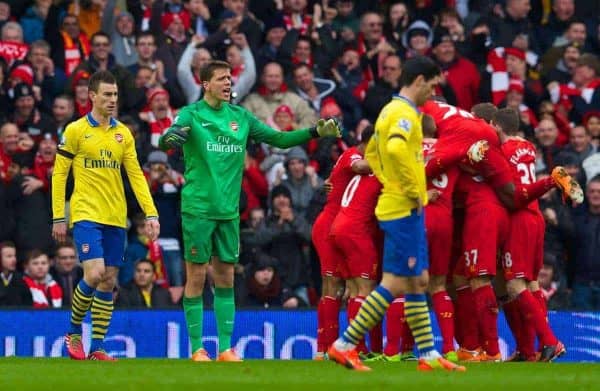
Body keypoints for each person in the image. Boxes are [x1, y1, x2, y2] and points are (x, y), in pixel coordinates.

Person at [158, 60, 341, 362]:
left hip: (229, 212)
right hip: (198, 209)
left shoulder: (240, 116)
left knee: (226, 278)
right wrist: (170, 139)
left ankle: (225, 348)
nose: (228, 84)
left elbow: (279, 139)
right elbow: (168, 139)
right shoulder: (191, 114)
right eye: (221, 79)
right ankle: (196, 348)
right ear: (205, 84)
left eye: (230, 79)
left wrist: (314, 130)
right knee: (196, 277)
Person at [327, 56, 465, 372]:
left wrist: (391, 180)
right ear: (419, 81)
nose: (432, 92)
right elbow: (393, 150)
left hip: (399, 206)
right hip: (403, 208)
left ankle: (428, 355)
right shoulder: (403, 114)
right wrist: (412, 190)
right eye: (431, 85)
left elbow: (373, 153)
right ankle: (344, 345)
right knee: (395, 283)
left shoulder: (390, 110)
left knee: (418, 281)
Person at [52, 70, 160, 361]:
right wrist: (58, 216)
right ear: (92, 96)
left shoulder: (123, 133)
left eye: (115, 95)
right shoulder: (75, 130)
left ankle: (97, 346)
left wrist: (151, 213)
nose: (112, 100)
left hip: (116, 216)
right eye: (107, 95)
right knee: (95, 272)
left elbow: (136, 176)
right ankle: (74, 332)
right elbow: (60, 174)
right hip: (86, 212)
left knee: (108, 281)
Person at [492, 108, 565, 362]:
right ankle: (531, 349)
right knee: (532, 283)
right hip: (535, 217)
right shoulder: (527, 148)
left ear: (497, 127)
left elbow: (506, 190)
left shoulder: (502, 151)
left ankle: (550, 341)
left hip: (519, 219)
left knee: (514, 284)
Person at [312, 127, 372, 359]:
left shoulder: (349, 157)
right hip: (330, 225)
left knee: (340, 289)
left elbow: (332, 180)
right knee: (333, 287)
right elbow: (358, 167)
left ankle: (331, 348)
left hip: (337, 224)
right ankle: (326, 348)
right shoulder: (354, 156)